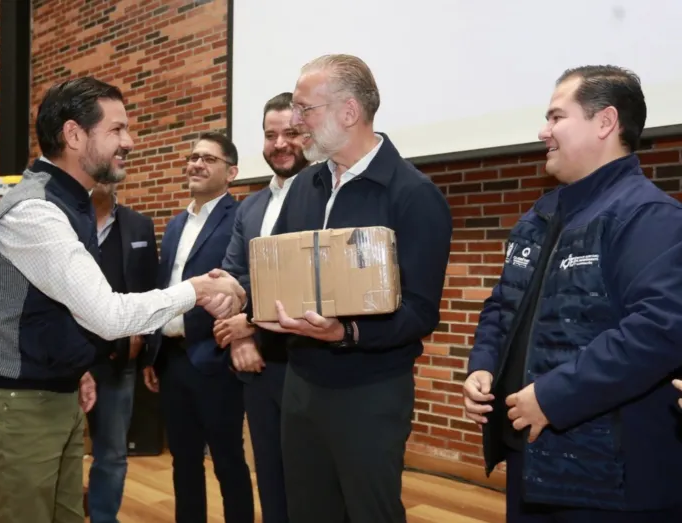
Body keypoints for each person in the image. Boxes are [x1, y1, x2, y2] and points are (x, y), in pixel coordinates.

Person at [0, 77, 245, 523]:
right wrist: (199, 289)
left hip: (56, 393)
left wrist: (75, 366)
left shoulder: (71, 202)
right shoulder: (34, 211)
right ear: (74, 135)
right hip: (19, 406)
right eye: (117, 130)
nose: (129, 141)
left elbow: (55, 309)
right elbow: (108, 315)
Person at [463, 65, 682, 522]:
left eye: (556, 117)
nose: (544, 131)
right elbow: (503, 305)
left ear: (605, 122)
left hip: (608, 479)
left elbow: (658, 330)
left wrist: (553, 397)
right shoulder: (539, 215)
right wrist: (483, 364)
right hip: (534, 457)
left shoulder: (649, 216)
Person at [255, 54, 453, 523]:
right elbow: (280, 272)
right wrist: (247, 297)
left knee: (370, 512)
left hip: (370, 392)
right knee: (307, 510)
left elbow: (421, 312)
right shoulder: (305, 185)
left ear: (349, 112)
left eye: (306, 109)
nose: (296, 121)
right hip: (300, 385)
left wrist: (346, 333)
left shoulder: (413, 194)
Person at [142, 132, 255, 523]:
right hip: (172, 359)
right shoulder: (175, 225)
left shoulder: (241, 219)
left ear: (231, 172)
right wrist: (153, 353)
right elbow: (164, 288)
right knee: (183, 461)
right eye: (193, 157)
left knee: (227, 461)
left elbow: (246, 280)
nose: (196, 164)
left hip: (216, 358)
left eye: (208, 158)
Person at [218, 91, 310, 523]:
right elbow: (231, 275)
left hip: (308, 363)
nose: (280, 144)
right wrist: (237, 338)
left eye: (290, 132)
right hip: (257, 369)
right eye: (270, 135)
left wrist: (249, 325)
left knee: (308, 483)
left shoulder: (324, 196)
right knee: (269, 477)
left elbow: (303, 276)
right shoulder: (249, 206)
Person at [85, 181, 159, 522]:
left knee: (113, 452)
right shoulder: (64, 219)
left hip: (120, 357)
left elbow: (149, 285)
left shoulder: (138, 224)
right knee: (62, 449)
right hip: (68, 356)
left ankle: (103, 517)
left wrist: (141, 336)